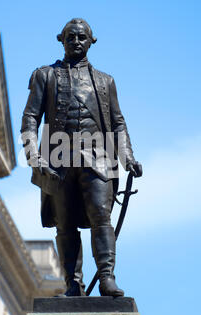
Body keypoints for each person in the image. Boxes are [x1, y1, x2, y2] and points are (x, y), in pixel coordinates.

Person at [21, 18, 142, 297]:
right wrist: (34, 157)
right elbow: (30, 118)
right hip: (57, 160)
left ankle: (107, 278)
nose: (76, 41)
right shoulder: (44, 75)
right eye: (71, 37)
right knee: (65, 224)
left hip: (98, 158)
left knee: (101, 216)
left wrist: (128, 158)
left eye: (82, 37)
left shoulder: (105, 81)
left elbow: (118, 124)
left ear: (91, 41)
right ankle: (73, 284)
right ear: (61, 40)